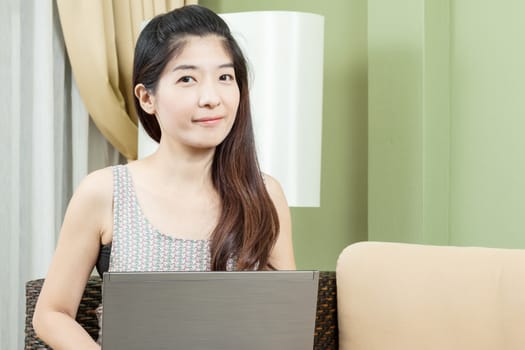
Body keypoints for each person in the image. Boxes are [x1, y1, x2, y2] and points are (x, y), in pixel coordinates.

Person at [33, 5, 295, 349]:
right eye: (187, 79)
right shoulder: (105, 192)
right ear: (147, 97)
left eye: (225, 77)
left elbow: (286, 317)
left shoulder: (264, 193)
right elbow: (51, 313)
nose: (211, 98)